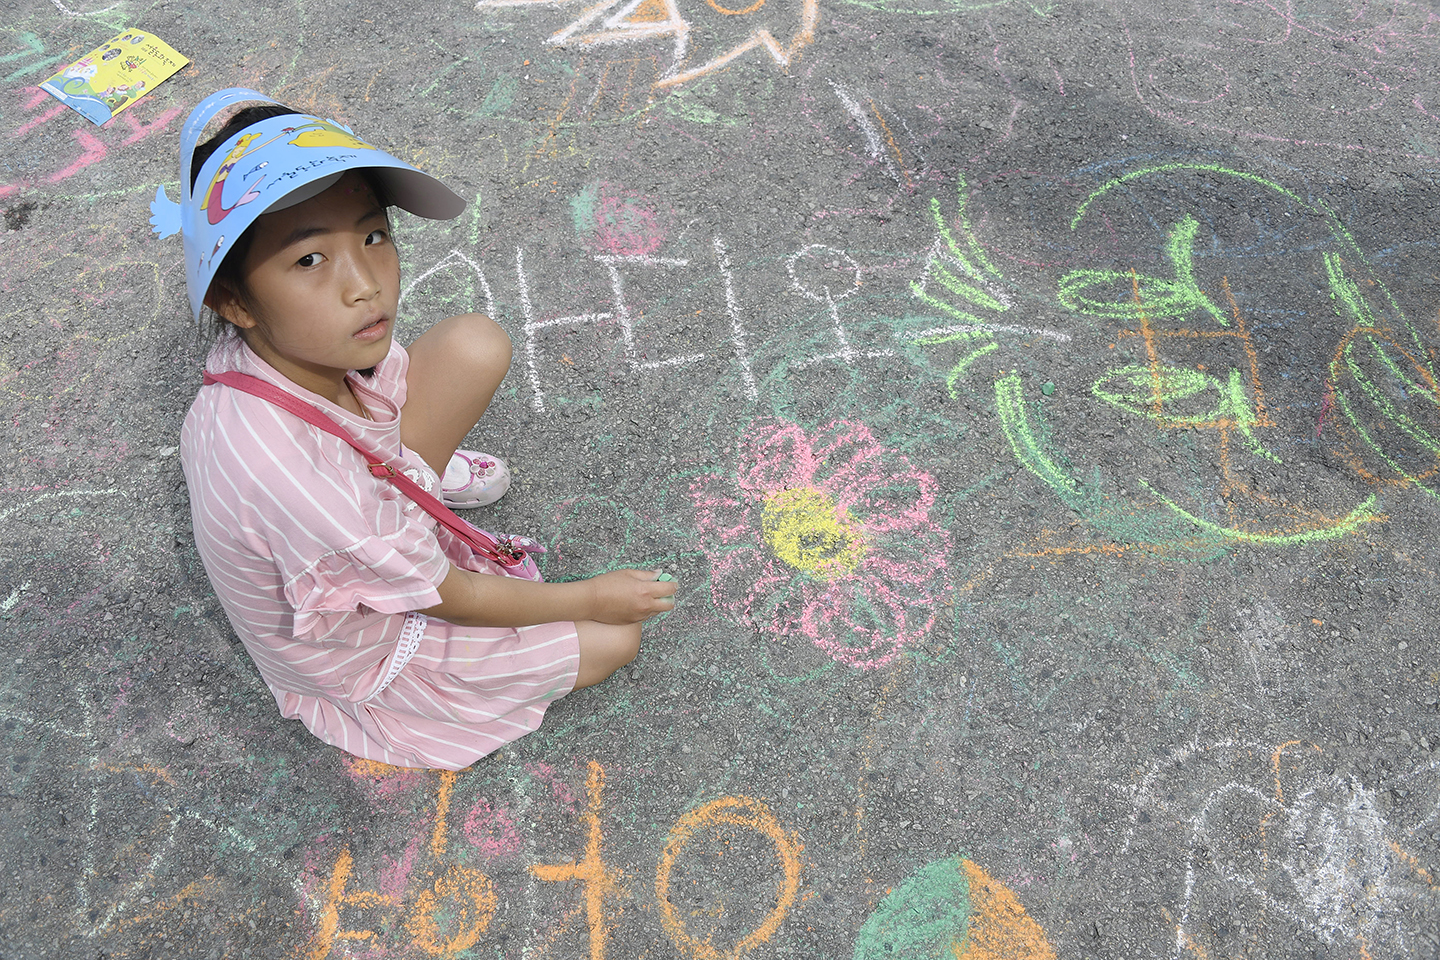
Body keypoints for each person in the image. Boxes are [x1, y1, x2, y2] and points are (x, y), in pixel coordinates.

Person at [159, 89, 675, 770]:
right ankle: (403, 518)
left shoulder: (287, 351)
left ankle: (406, 491)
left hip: (347, 508)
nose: (365, 285)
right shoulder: (294, 482)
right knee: (615, 640)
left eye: (373, 237)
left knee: (473, 343)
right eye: (309, 261)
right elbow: (452, 598)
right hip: (358, 650)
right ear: (234, 301)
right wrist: (592, 595)